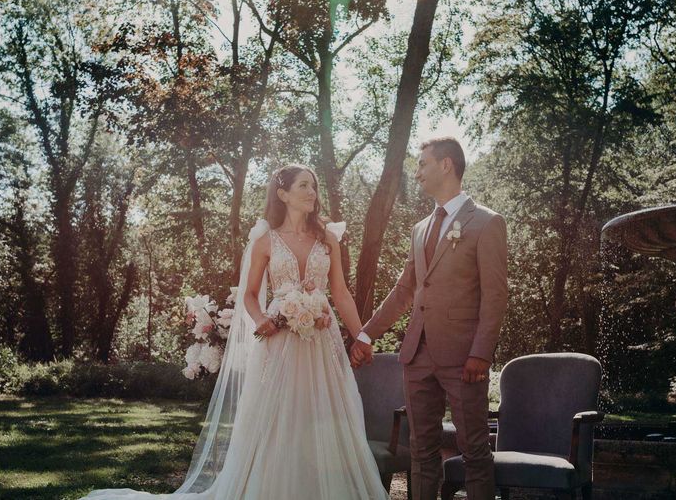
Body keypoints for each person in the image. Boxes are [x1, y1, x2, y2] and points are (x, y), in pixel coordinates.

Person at [82, 164, 388, 500]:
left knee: (324, 413)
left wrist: (361, 335)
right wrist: (261, 320)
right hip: (280, 339)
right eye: (303, 186)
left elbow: (341, 293)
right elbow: (249, 294)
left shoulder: (327, 238)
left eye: (313, 186)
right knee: (280, 416)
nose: (311, 192)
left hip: (320, 340)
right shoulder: (265, 241)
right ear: (283, 194)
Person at [350, 136, 508, 500]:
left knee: (474, 452)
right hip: (416, 355)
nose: (417, 172)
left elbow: (496, 295)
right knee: (421, 452)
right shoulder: (420, 229)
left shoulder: (486, 223)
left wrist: (481, 353)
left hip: (465, 358)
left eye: (422, 164)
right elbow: (405, 290)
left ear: (446, 165)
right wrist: (366, 334)